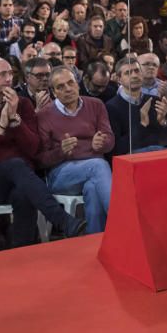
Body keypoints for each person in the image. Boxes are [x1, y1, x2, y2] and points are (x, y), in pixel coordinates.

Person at [0, 56, 86, 247]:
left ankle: (22, 252)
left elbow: (34, 150)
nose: (9, 79)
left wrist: (16, 120)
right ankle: (63, 221)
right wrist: (0, 127)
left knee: (23, 192)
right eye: (2, 74)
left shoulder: (23, 105)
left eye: (10, 73)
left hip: (22, 179)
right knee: (16, 165)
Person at [37, 66, 114, 234]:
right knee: (98, 165)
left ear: (78, 84)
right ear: (53, 92)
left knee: (93, 189)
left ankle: (95, 241)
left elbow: (109, 140)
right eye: (60, 86)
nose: (68, 89)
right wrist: (61, 152)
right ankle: (122, 223)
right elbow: (41, 159)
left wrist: (101, 143)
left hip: (95, 172)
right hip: (61, 174)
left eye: (71, 83)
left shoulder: (96, 105)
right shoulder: (44, 115)